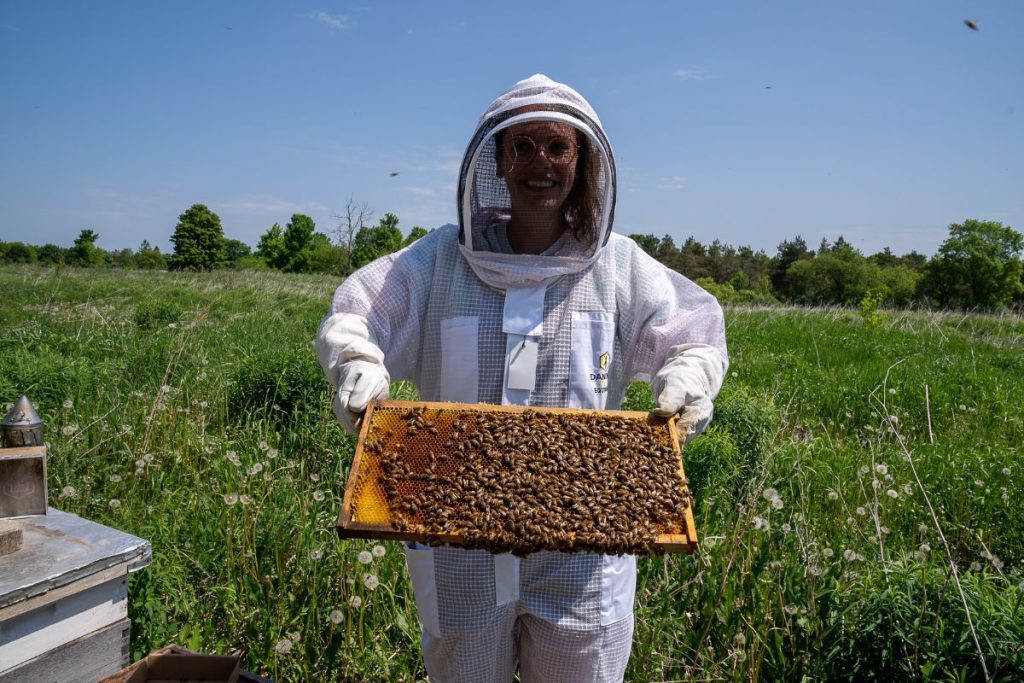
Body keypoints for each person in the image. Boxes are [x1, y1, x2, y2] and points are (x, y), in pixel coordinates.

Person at [316, 74, 727, 683]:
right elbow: (357, 316)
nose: (542, 163)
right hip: (459, 553)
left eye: (559, 148)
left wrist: (687, 379)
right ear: (498, 161)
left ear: (582, 164)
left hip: (583, 562)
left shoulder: (619, 267)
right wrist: (356, 364)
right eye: (524, 146)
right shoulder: (434, 262)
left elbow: (694, 334)